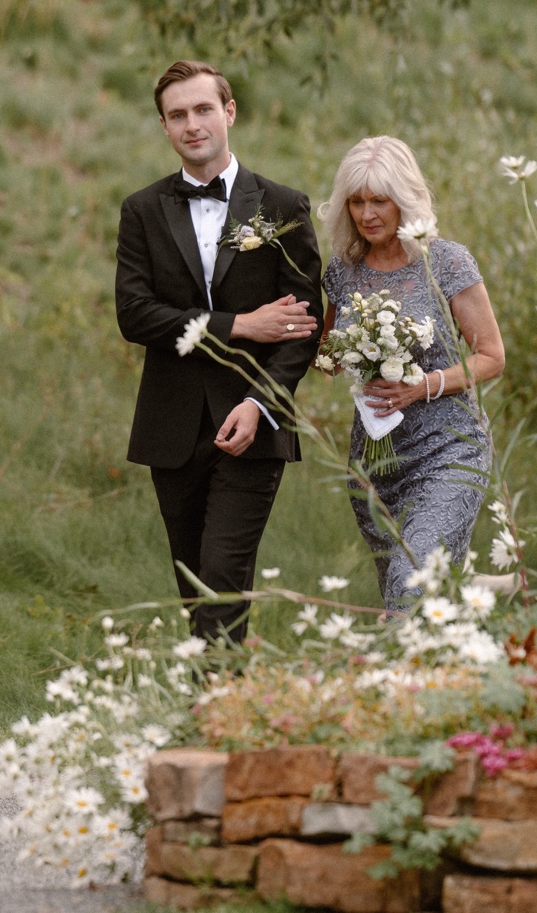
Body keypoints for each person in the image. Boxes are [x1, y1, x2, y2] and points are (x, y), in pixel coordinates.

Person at [115, 61, 322, 644]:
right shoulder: (142, 210)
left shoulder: (282, 206)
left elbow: (304, 325)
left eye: (203, 109)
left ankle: (214, 717)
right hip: (171, 428)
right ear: (164, 126)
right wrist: (237, 325)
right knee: (194, 591)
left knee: (224, 580)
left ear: (229, 112)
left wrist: (262, 404)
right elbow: (135, 315)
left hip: (254, 427)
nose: (192, 124)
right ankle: (222, 706)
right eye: (177, 115)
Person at [318, 137, 504, 611]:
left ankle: (401, 679)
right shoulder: (343, 271)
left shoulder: (445, 261)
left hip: (449, 451)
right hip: (374, 465)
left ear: (405, 199)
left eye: (379, 200)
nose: (367, 213)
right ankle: (473, 596)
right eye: (356, 201)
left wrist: (422, 385)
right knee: (410, 595)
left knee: (410, 591)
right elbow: (327, 353)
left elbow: (492, 356)